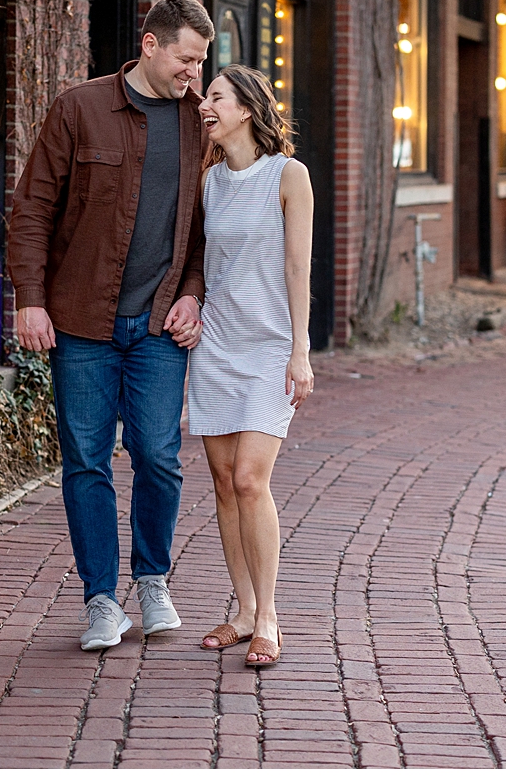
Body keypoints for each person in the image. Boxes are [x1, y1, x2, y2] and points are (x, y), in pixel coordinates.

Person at [8, 0, 213, 651]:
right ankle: (101, 599)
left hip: (159, 326)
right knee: (86, 461)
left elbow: (213, 224)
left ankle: (152, 579)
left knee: (158, 455)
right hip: (80, 322)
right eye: (186, 58)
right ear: (150, 44)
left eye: (201, 61)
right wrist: (30, 297)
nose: (194, 73)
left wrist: (193, 292)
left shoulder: (199, 123)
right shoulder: (79, 108)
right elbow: (33, 207)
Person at [186, 65, 314, 669]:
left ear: (245, 110)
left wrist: (301, 350)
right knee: (221, 482)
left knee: (249, 479)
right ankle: (240, 611)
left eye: (215, 97)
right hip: (216, 345)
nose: (204, 104)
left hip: (268, 348)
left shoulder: (290, 177)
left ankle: (268, 616)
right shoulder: (208, 182)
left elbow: (297, 270)